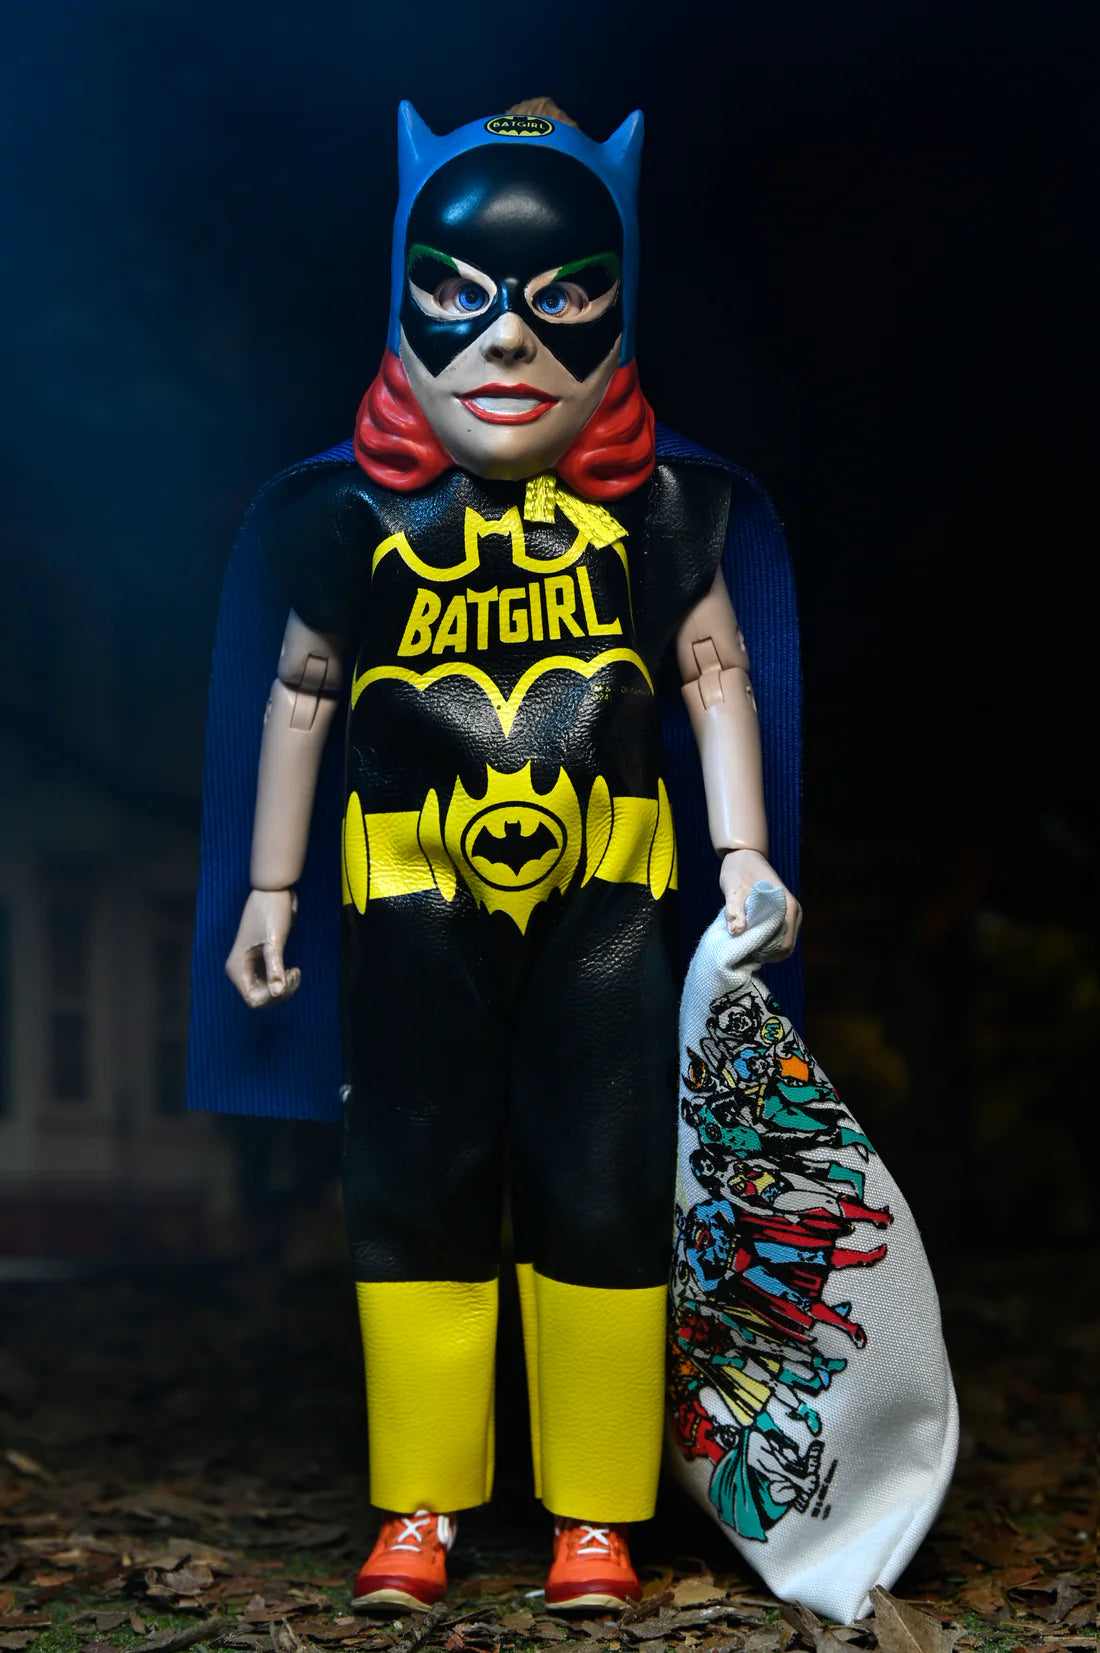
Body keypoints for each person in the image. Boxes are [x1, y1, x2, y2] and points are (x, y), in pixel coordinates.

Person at [198, 97, 800, 1614]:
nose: (510, 338)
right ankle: (420, 1501)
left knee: (607, 1181)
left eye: (565, 294)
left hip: (609, 903)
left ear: (620, 308)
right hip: (408, 905)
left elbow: (714, 672)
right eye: (458, 294)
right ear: (400, 308)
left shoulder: (660, 517)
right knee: (411, 1181)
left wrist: (743, 850)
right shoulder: (356, 519)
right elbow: (300, 692)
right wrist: (268, 889)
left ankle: (595, 1511)